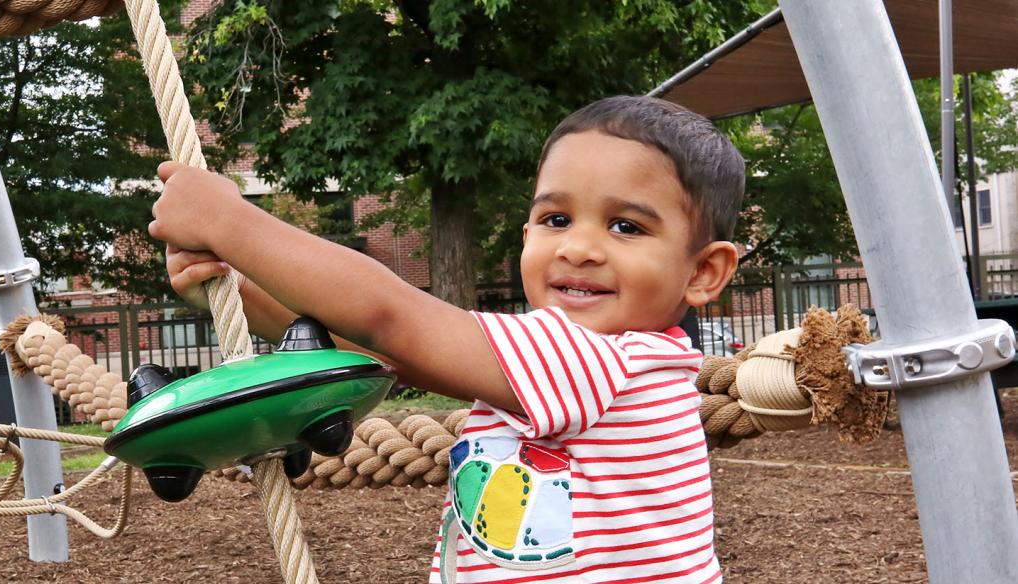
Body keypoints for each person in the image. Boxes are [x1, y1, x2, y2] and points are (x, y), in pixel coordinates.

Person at [148, 95, 744, 584]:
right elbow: (388, 358)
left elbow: (390, 319)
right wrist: (243, 295)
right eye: (556, 219)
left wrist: (230, 223)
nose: (577, 247)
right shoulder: (595, 362)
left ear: (703, 272)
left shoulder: (606, 361)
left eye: (626, 226)